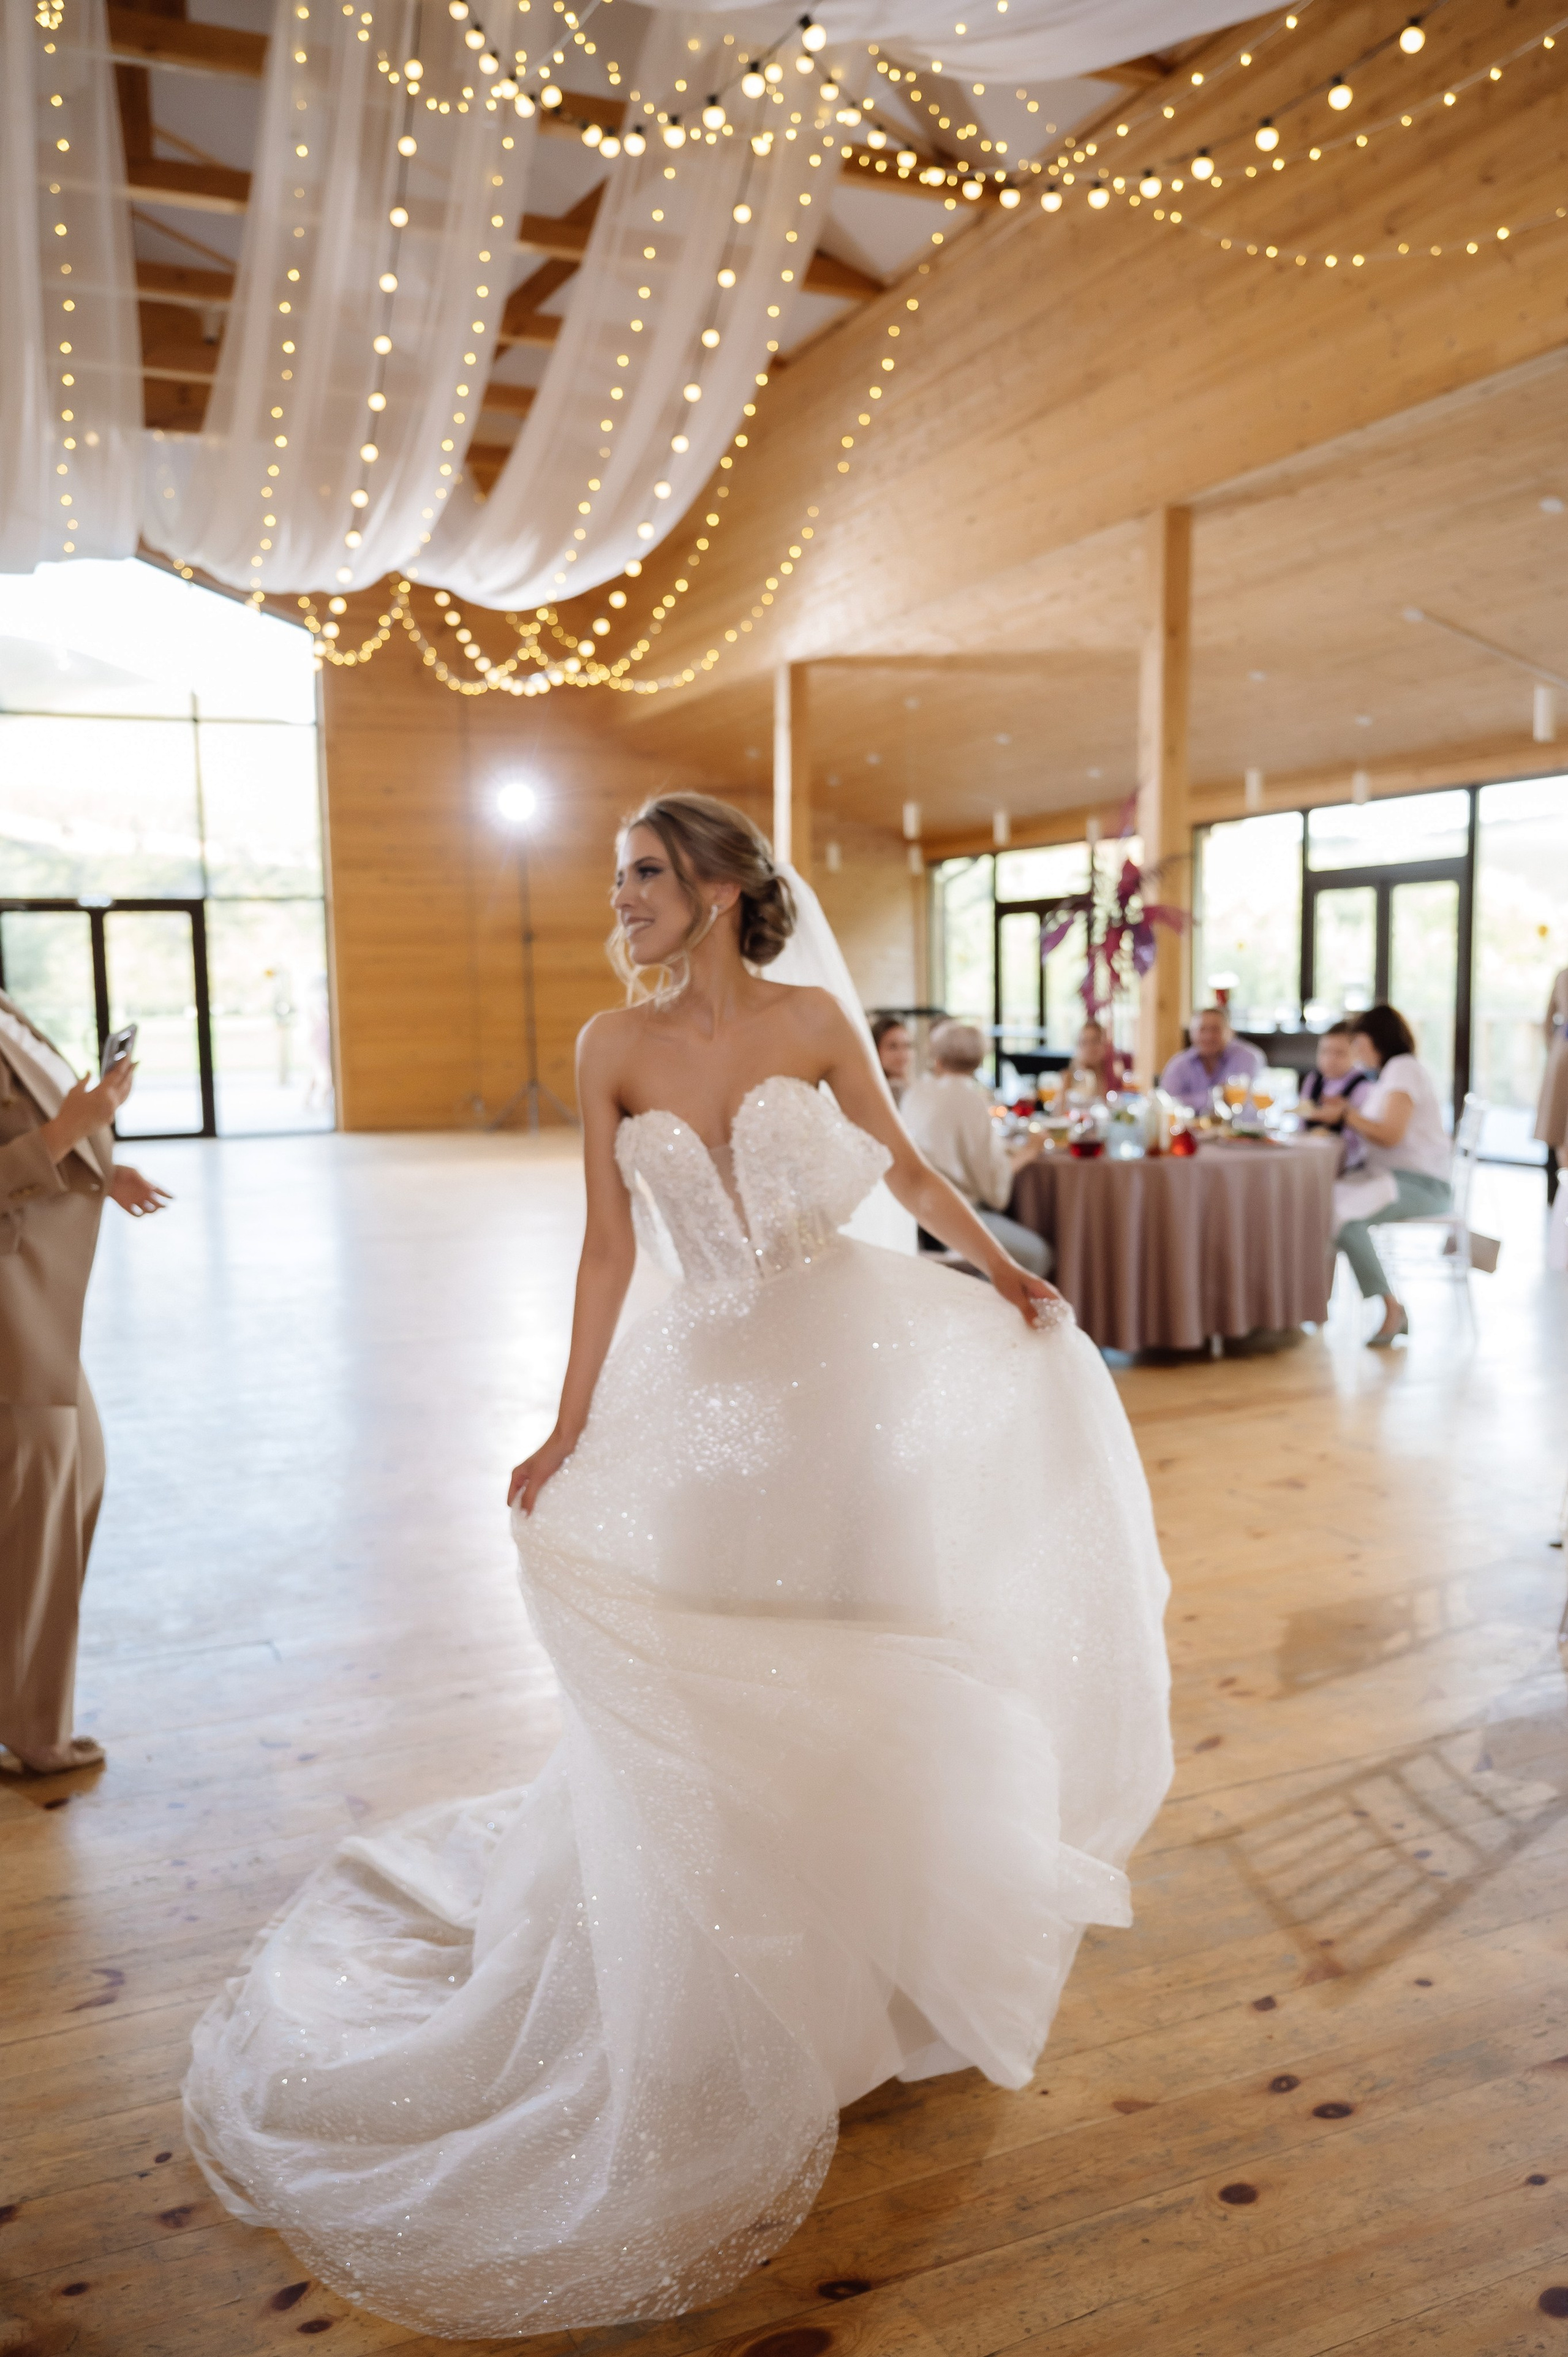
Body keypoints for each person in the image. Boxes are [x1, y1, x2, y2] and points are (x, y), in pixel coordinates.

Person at [184, 793, 1172, 2340]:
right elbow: (605, 1246)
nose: (619, 897)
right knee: (712, 1684)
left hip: (841, 1379)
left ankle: (875, 1979)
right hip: (696, 1403)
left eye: (644, 874)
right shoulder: (606, 1044)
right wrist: (566, 1421)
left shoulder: (817, 1019)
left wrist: (1001, 1272)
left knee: (854, 1655)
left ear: (716, 889)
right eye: (619, 875)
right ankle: (722, 1983)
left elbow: (906, 1176)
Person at [0, 990, 170, 1777]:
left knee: (74, 1479)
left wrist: (102, 1162)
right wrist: (72, 1128)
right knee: (41, 1505)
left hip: (35, 1301)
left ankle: (31, 1718)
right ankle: (36, 1734)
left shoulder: (7, 1007)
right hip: (9, 1314)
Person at [1314, 1002, 1452, 1347]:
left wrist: (1347, 1115)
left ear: (1376, 1040)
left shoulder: (1403, 1070)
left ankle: (1391, 1307)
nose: (1358, 1055)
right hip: (1393, 1179)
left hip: (1420, 1185)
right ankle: (1316, 1303)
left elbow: (1390, 1134)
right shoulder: (1390, 1075)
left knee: (1341, 1216)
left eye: (1359, 1044)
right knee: (1322, 1203)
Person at [900, 1020, 1053, 1278]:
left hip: (914, 1212)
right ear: (980, 1061)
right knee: (1038, 1254)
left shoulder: (917, 1092)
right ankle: (985, 1311)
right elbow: (993, 1184)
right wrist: (1030, 1151)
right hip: (952, 1214)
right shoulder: (970, 1099)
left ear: (937, 1056)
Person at [1296, 1020, 1374, 1168]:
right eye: (1325, 1052)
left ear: (1356, 1054)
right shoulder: (1314, 1080)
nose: (1330, 1059)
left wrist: (1342, 1114)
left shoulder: (1363, 1086)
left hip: (1347, 1163)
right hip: (1310, 1158)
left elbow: (1361, 1138)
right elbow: (1301, 1125)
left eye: (1340, 1053)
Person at [1158, 1005, 1262, 1114]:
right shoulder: (1179, 1064)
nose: (1209, 1036)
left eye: (1215, 1030)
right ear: (1191, 1033)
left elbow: (1249, 1106)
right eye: (1202, 1029)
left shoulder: (1248, 1058)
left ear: (1230, 1032)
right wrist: (1217, 1097)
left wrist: (1190, 1101)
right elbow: (1166, 1103)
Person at [1534, 964, 1568, 1206]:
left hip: (1562, 1053)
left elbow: (1547, 1022)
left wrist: (1555, 1046)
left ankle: (1556, 1197)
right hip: (1562, 1053)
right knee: (1558, 1126)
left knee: (1557, 1126)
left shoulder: (1563, 976)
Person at [1072, 1018, 1131, 1097]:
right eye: (1084, 1042)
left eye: (1095, 1041)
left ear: (1104, 1044)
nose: (1090, 1048)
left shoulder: (1113, 1077)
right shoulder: (1070, 1078)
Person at [870, 1011, 914, 1103]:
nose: (902, 1054)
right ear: (876, 1051)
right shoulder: (876, 1095)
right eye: (893, 1047)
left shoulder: (916, 1088)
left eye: (907, 1046)